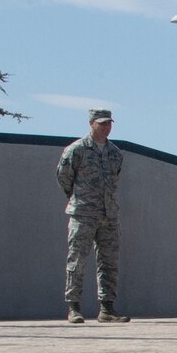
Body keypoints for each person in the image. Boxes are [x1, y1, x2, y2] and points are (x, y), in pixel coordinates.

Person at [58, 108, 129, 324]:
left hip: (109, 214)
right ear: (91, 124)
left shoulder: (115, 153)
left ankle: (107, 308)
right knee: (77, 260)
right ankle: (74, 307)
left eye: (109, 123)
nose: (106, 127)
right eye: (102, 123)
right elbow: (63, 177)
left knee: (109, 261)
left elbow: (115, 177)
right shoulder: (77, 150)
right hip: (83, 213)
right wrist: (79, 198)